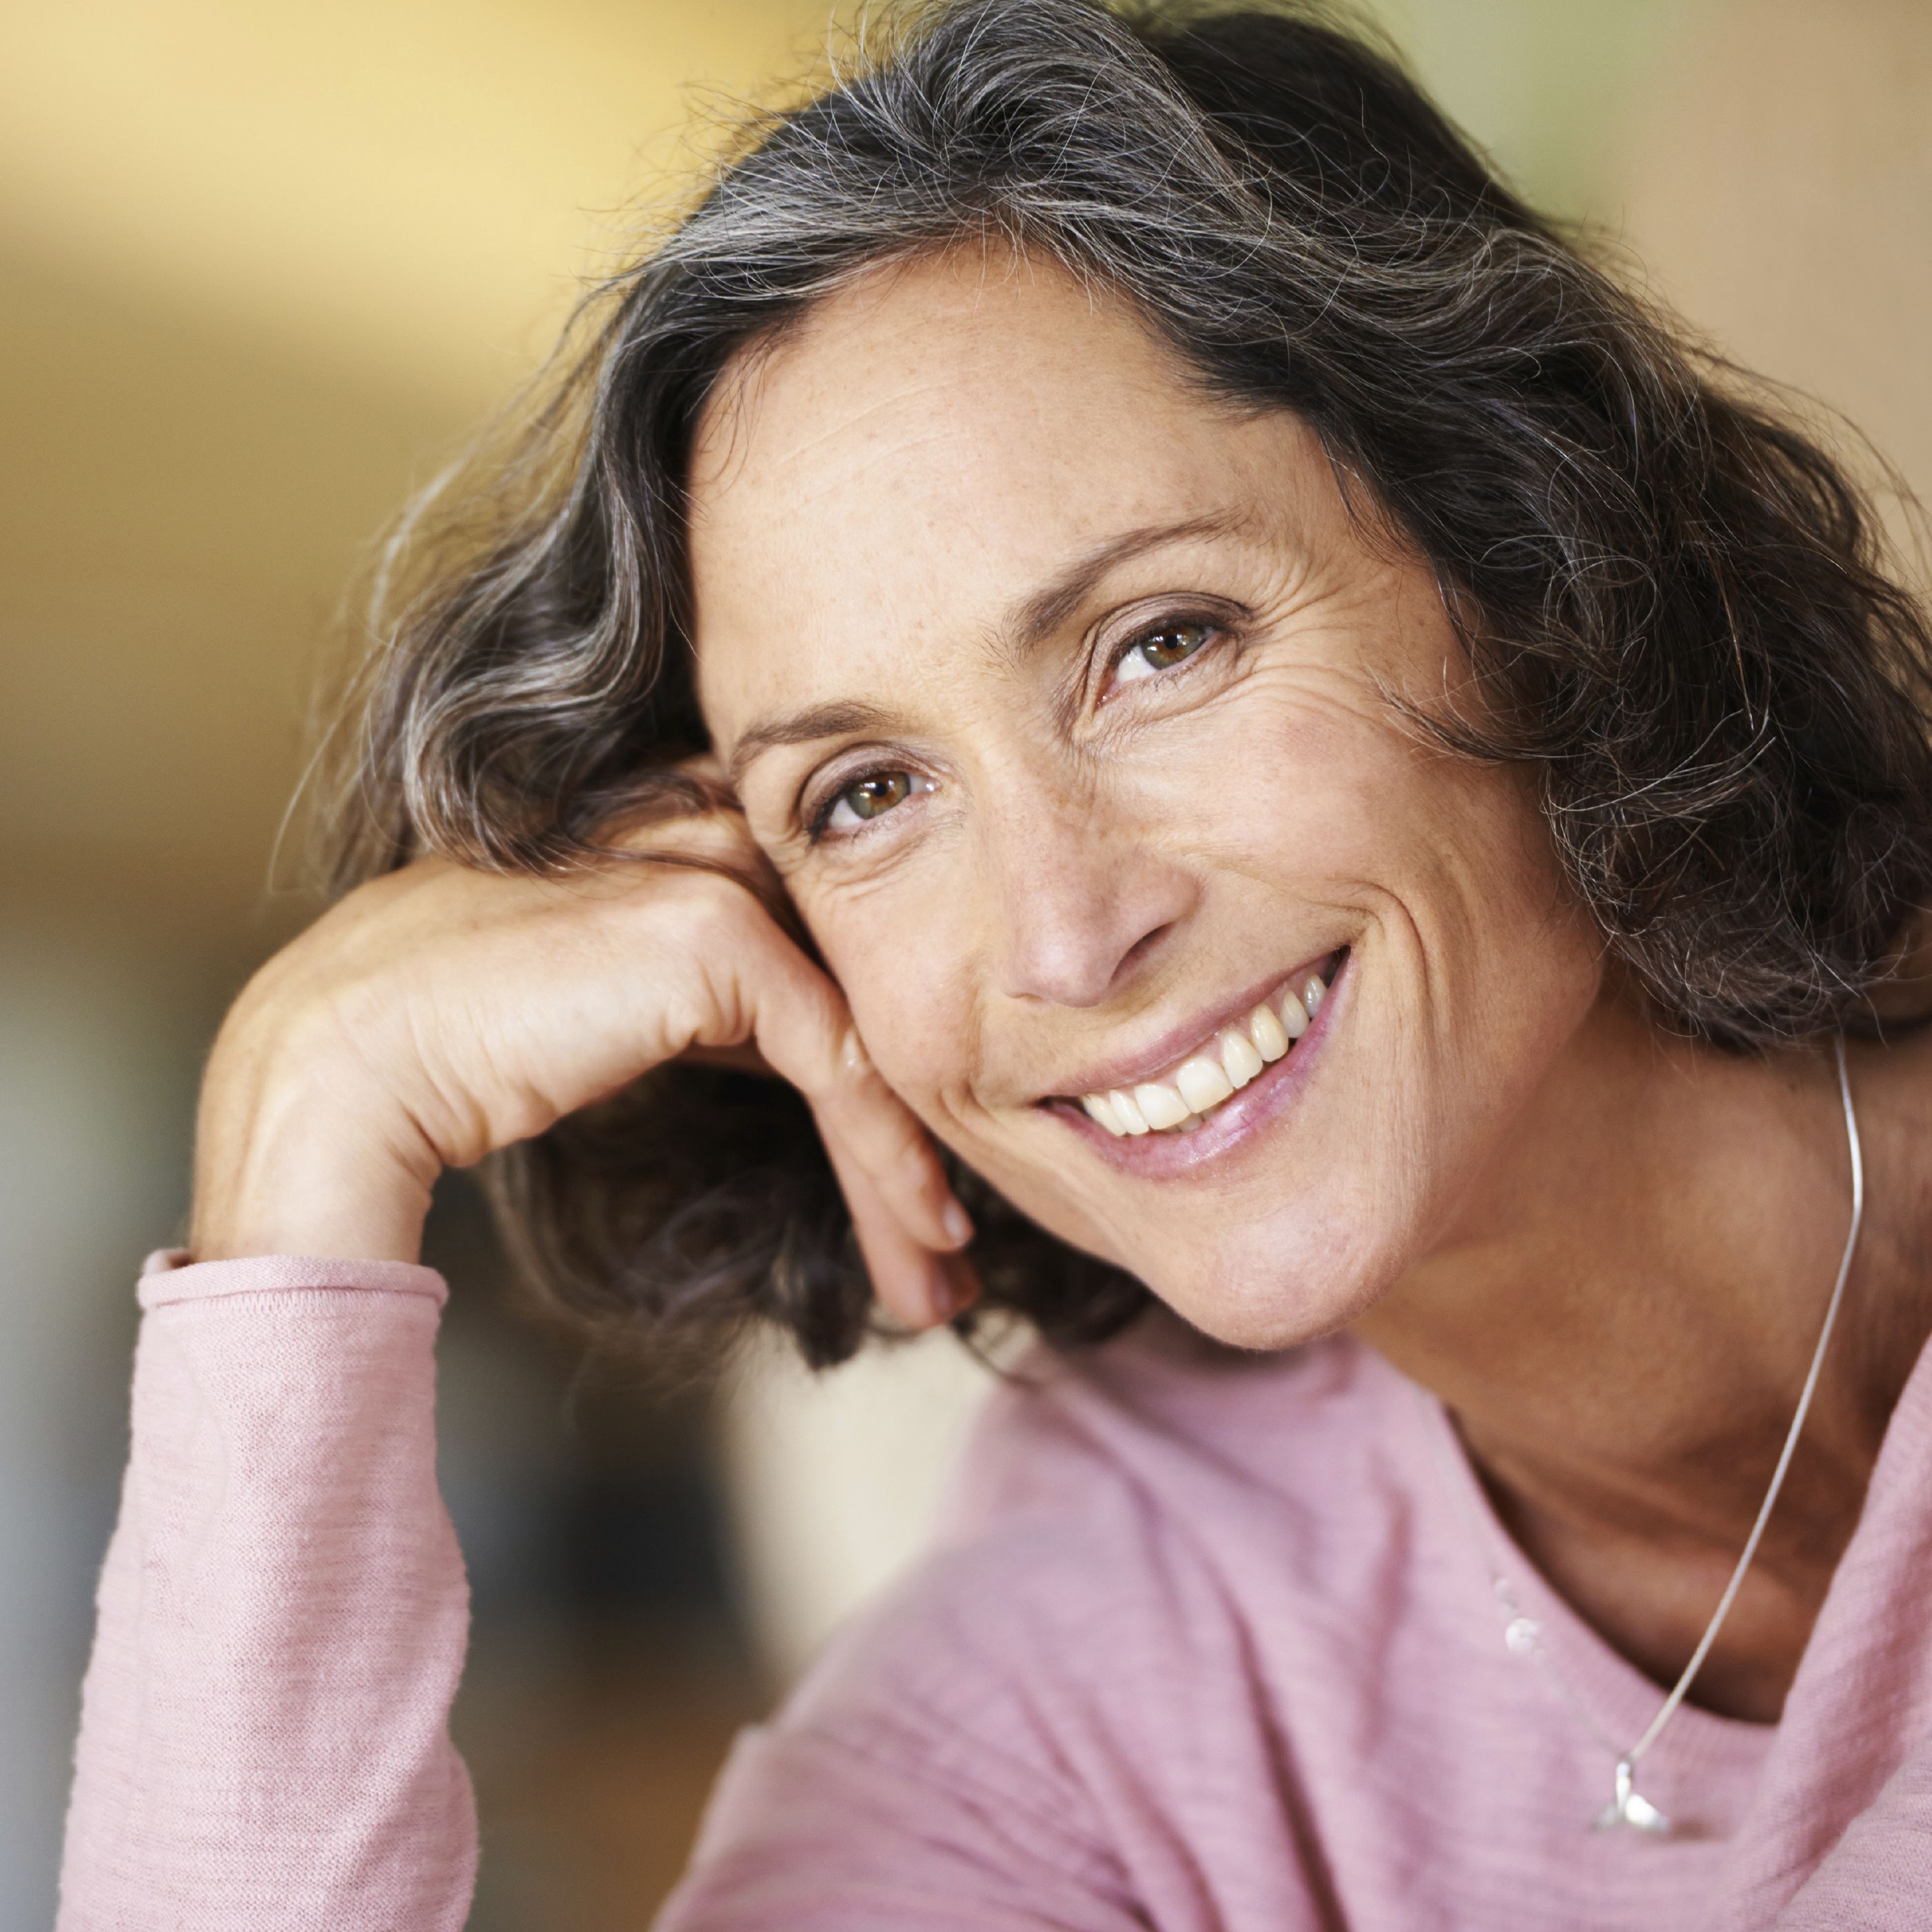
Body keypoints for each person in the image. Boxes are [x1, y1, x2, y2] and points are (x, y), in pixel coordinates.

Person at [55, 1, 1932, 1926]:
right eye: (866, 793)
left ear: (1537, 569)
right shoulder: (1094, 1642)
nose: (1060, 929)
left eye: (1161, 642)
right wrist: (306, 1133)